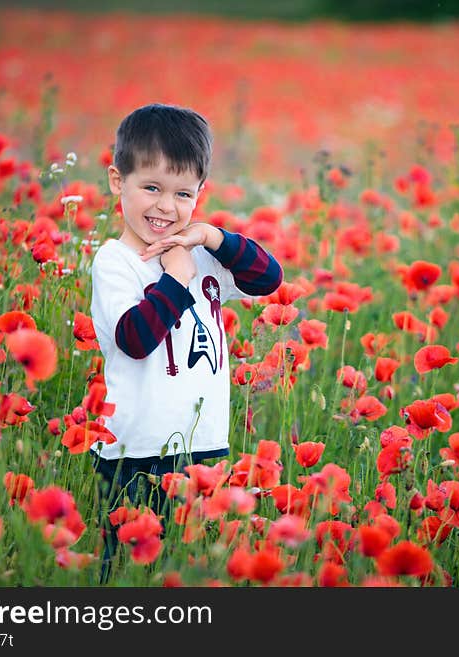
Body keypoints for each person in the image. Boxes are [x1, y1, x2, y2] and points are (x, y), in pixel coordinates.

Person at [89, 103, 282, 581]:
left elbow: (269, 279)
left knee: (190, 570)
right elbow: (135, 339)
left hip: (205, 448)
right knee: (127, 574)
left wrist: (213, 238)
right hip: (136, 454)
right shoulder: (115, 262)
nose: (165, 207)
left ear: (199, 194)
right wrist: (174, 280)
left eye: (182, 193)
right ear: (118, 181)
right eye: (150, 187)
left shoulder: (202, 254)